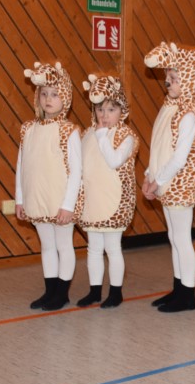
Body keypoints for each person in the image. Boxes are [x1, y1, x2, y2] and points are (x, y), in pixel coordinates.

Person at [141, 42, 195, 313]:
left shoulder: (188, 114)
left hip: (179, 184)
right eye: (168, 77)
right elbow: (159, 146)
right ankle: (178, 288)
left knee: (181, 239)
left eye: (175, 78)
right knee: (173, 237)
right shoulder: (169, 107)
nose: (169, 82)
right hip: (165, 182)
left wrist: (158, 181)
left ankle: (188, 295)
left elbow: (179, 158)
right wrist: (149, 175)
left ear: (189, 80)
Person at [16, 61, 83, 311]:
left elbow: (76, 171)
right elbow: (22, 166)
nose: (48, 99)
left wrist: (68, 205)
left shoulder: (69, 131)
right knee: (47, 246)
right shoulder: (28, 129)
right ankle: (50, 290)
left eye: (54, 94)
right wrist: (20, 199)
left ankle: (61, 293)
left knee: (64, 245)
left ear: (65, 97)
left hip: (60, 199)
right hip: (37, 197)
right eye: (44, 94)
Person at [77, 74, 137, 309]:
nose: (104, 114)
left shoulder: (126, 135)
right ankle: (94, 291)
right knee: (93, 248)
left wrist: (102, 136)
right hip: (92, 200)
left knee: (112, 248)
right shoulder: (88, 134)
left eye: (111, 109)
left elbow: (113, 161)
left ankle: (115, 292)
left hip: (114, 200)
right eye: (100, 109)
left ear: (122, 110)